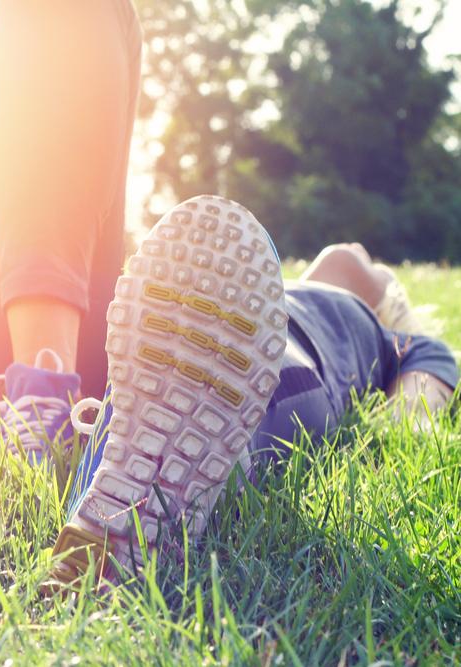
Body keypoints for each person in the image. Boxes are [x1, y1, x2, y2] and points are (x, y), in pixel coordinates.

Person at [48, 195, 457, 586]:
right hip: (260, 340)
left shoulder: (376, 327)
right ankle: (197, 470)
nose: (355, 249)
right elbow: (436, 361)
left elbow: (432, 356)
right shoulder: (277, 295)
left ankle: (122, 488)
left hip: (280, 345)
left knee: (232, 386)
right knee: (235, 383)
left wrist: (407, 419)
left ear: (384, 300)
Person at [0, 0, 143, 460]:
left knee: (339, 270)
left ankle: (43, 393)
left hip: (7, 378)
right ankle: (42, 395)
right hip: (21, 380)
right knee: (333, 292)